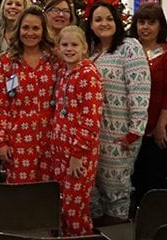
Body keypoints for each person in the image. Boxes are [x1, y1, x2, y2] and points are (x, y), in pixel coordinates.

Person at [84, 0, 150, 225]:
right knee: (92, 189)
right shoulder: (88, 51)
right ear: (90, 25)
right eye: (98, 19)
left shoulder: (130, 47)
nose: (104, 23)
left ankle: (117, 231)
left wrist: (134, 131)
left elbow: (140, 91)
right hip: (91, 135)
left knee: (116, 190)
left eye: (109, 18)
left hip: (119, 135)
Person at [127, 3, 167, 210]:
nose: (146, 27)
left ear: (161, 25)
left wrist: (161, 125)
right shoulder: (129, 51)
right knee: (135, 180)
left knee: (153, 182)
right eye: (141, 22)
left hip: (157, 131)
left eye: (152, 22)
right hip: (133, 130)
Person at [0, 6, 56, 184]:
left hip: (50, 139)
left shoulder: (54, 59)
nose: (30, 33)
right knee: (20, 194)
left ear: (43, 31)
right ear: (18, 29)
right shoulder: (8, 61)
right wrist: (1, 141)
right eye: (25, 27)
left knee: (47, 192)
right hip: (17, 141)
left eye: (36, 28)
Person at [51, 25, 103, 236]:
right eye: (65, 44)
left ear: (84, 48)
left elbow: (91, 120)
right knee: (63, 207)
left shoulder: (89, 74)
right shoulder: (64, 71)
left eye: (74, 45)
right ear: (58, 48)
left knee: (75, 210)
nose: (69, 49)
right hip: (60, 152)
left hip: (79, 155)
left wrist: (77, 154)